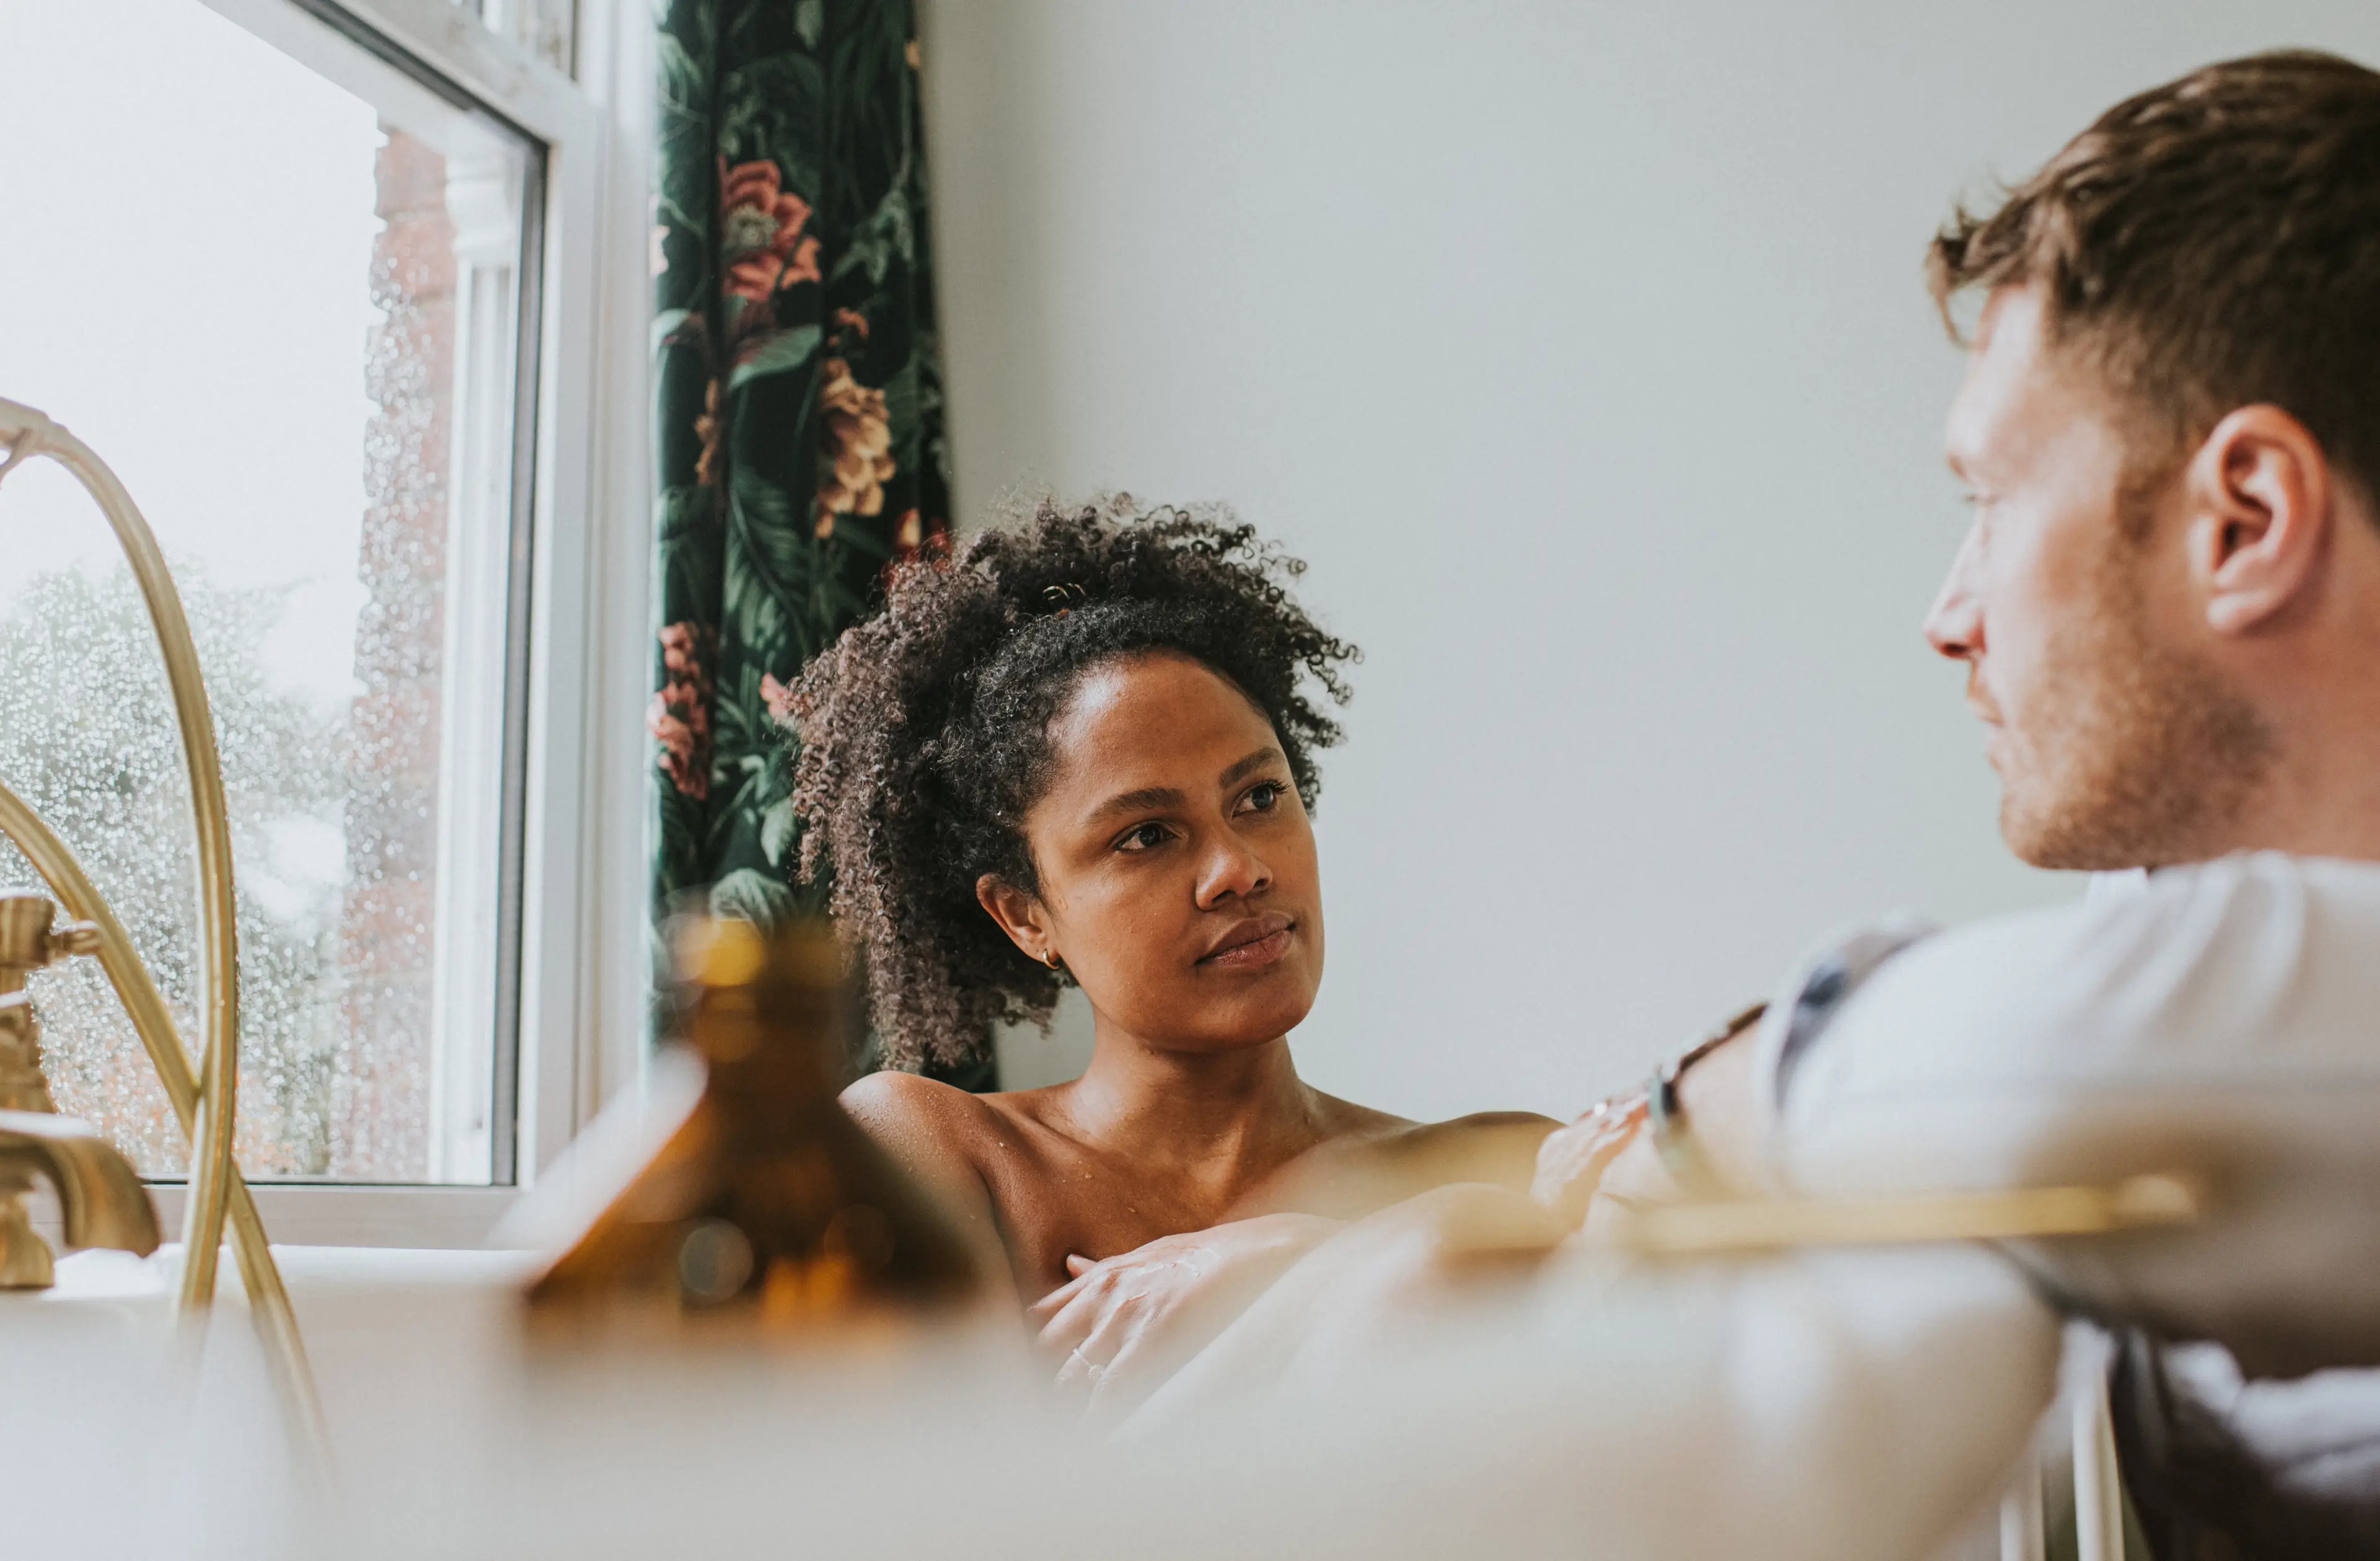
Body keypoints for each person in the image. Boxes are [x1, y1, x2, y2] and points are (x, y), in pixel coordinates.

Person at [1137, 51, 2380, 1553]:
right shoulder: (2158, 956)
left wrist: (1717, 1100)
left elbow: (2038, 1067)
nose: (1950, 609)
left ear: (2244, 519)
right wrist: (1420, 1253)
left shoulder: (2142, 1027)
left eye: (1990, 499)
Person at [786, 497, 1555, 1395]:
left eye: (1260, 797)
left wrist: (1276, 1256)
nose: (1237, 868)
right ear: (1024, 913)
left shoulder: (1499, 1165)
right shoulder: (933, 1151)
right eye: (1147, 835)